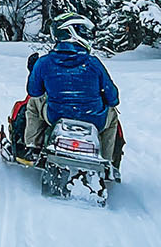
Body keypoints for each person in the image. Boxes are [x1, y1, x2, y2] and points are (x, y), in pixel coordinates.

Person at [19, 12, 121, 166]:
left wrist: (34, 70)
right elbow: (113, 98)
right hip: (94, 119)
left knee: (33, 104)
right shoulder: (93, 63)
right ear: (72, 33)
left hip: (56, 116)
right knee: (112, 116)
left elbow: (34, 92)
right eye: (82, 31)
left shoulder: (44, 62)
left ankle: (32, 147)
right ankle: (106, 161)